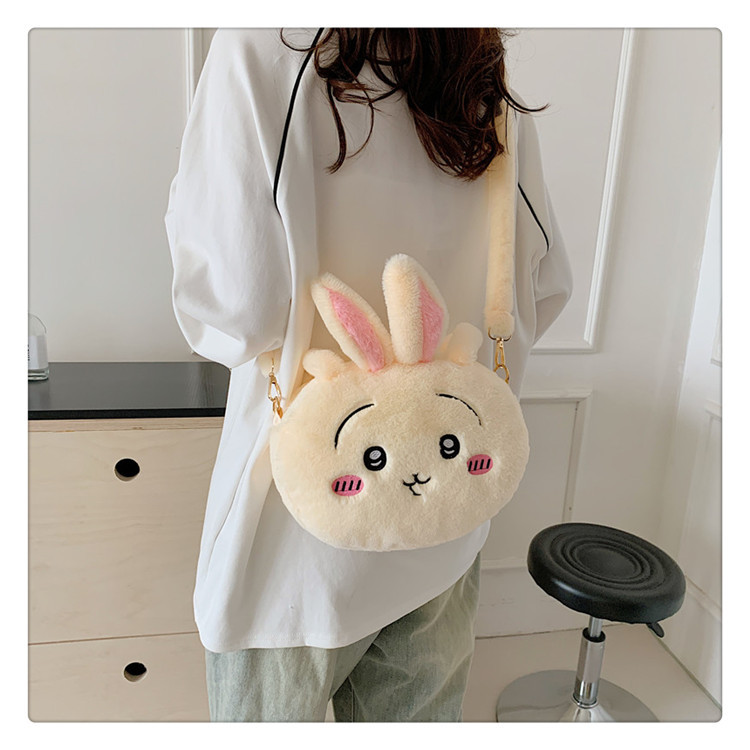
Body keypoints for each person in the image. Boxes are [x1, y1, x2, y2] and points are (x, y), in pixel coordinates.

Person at [164, 27, 572, 722]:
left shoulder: (261, 47)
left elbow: (230, 313)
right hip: (446, 519)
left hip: (294, 545)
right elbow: (547, 281)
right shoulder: (478, 69)